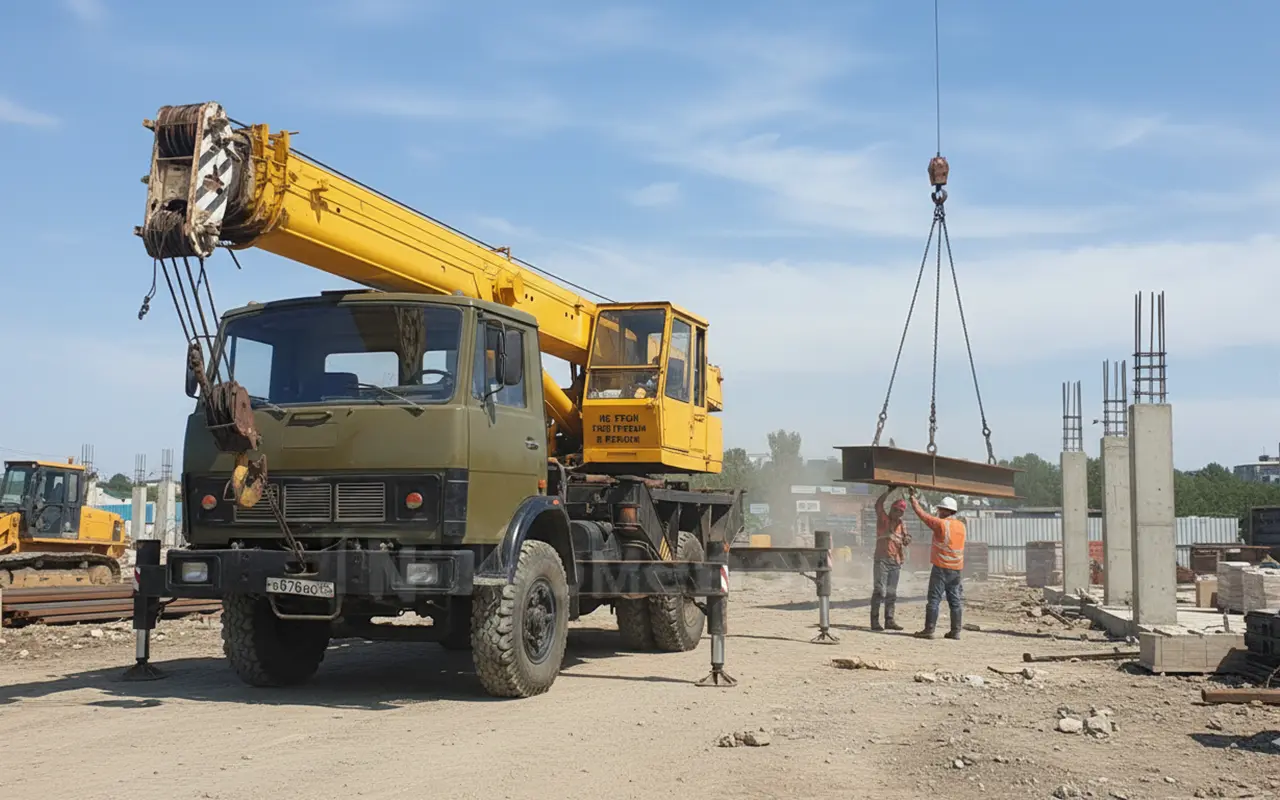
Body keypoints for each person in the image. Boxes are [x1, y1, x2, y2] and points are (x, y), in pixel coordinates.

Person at [908, 488, 966, 640]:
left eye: (940, 509)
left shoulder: (941, 524)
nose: (938, 511)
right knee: (955, 600)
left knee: (934, 599)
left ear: (945, 511)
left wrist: (913, 500)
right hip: (956, 570)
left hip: (941, 567)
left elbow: (923, 516)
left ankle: (929, 630)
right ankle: (956, 631)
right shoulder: (961, 526)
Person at [870, 488, 911, 631]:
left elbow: (907, 538)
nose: (898, 514)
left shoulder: (902, 525)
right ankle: (874, 622)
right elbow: (878, 504)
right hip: (882, 560)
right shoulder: (883, 519)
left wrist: (907, 539)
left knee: (891, 592)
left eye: (901, 512)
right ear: (892, 510)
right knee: (880, 590)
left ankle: (889, 620)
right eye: (896, 510)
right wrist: (888, 491)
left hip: (895, 562)